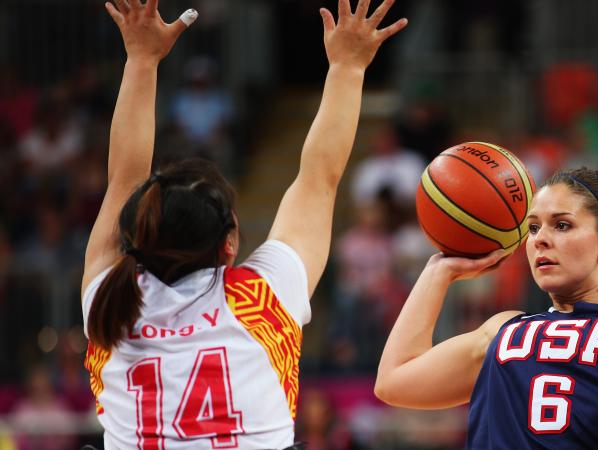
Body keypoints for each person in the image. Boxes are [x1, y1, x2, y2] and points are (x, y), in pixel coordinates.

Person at [81, 0, 406, 448]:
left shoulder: (107, 302)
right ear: (229, 244)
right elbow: (319, 179)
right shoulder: (264, 298)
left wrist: (140, 59)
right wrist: (348, 67)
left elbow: (123, 178)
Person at [375, 167, 598, 449]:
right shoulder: (503, 328)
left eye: (562, 225)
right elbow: (394, 382)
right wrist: (439, 272)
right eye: (534, 227)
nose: (539, 239)